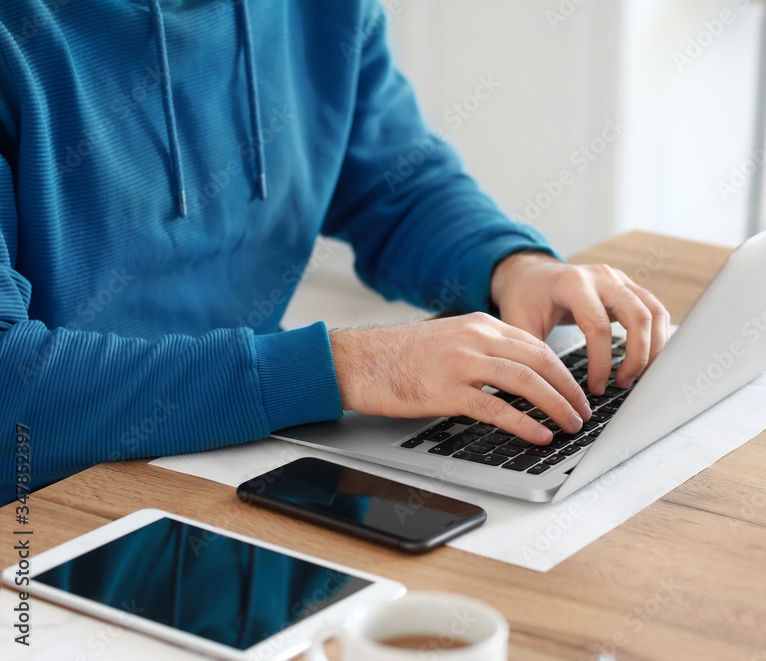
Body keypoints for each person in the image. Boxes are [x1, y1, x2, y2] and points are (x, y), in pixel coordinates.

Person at [0, 0, 668, 504]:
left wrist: (513, 265)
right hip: (52, 506)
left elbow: (396, 182)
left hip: (238, 460)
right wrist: (343, 367)